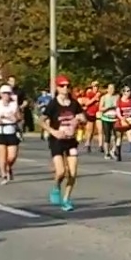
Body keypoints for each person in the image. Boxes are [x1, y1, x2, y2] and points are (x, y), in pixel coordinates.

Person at [42, 76, 85, 211]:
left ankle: (66, 199)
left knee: (73, 173)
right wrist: (52, 131)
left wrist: (79, 118)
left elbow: (83, 118)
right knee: (61, 172)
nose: (65, 88)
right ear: (57, 88)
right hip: (57, 140)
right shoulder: (53, 104)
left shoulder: (74, 103)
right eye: (62, 86)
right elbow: (41, 120)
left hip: (71, 140)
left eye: (67, 86)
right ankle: (56, 187)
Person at [0, 84, 23, 183]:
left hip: (11, 131)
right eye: (4, 93)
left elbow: (19, 117)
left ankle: (8, 167)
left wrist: (15, 118)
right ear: (1, 94)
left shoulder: (14, 104)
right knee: (2, 155)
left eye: (8, 93)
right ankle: (3, 174)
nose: (6, 95)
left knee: (12, 156)